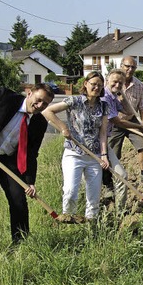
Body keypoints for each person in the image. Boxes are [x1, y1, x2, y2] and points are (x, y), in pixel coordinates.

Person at [0, 84, 54, 254]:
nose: (40, 105)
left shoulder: (39, 123)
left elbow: (31, 153)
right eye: (39, 100)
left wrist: (30, 181)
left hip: (7, 159)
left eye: (45, 104)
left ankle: (21, 245)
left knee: (18, 200)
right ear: (29, 93)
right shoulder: (5, 97)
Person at [42, 71, 109, 221]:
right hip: (74, 153)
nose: (96, 87)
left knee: (94, 196)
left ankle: (91, 224)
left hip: (95, 157)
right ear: (85, 84)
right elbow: (47, 111)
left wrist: (104, 155)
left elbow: (103, 132)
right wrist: (63, 128)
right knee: (71, 191)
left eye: (99, 85)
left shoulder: (104, 106)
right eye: (93, 84)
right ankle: (68, 220)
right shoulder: (74, 101)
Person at [101, 68, 143, 212]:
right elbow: (118, 121)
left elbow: (128, 111)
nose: (117, 85)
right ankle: (104, 196)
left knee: (121, 175)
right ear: (107, 80)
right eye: (114, 81)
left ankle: (120, 211)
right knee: (96, 176)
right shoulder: (105, 97)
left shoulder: (114, 97)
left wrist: (122, 94)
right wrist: (141, 126)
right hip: (96, 141)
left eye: (120, 83)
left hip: (103, 140)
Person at [107, 56, 143, 187]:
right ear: (121, 66)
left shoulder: (139, 85)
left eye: (133, 67)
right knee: (113, 152)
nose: (130, 69)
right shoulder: (111, 82)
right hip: (114, 122)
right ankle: (110, 181)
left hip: (131, 119)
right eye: (127, 66)